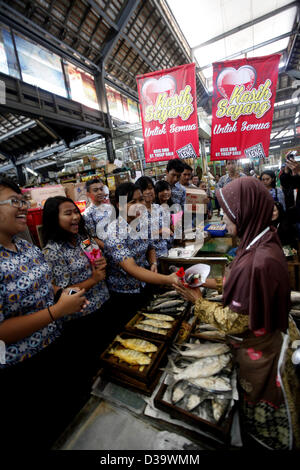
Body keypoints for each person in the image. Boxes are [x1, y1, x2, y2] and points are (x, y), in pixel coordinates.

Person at [173, 177, 300, 450]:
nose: (225, 220)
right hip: (272, 337)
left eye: (228, 213)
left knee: (264, 433)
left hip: (263, 353)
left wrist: (198, 301)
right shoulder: (261, 239)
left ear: (246, 212)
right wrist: (208, 284)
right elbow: (250, 289)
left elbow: (236, 321)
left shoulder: (259, 259)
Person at [0, 178, 87, 449]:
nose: (23, 207)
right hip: (21, 366)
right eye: (15, 201)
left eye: (23, 200)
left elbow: (44, 282)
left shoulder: (25, 246)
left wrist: (62, 294)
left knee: (73, 422)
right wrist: (55, 311)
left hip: (55, 344)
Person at [42, 196, 110, 389]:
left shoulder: (83, 239)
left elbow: (98, 262)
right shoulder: (52, 251)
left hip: (103, 302)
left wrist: (101, 264)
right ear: (54, 219)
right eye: (68, 213)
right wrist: (93, 280)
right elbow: (62, 292)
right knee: (93, 367)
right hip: (81, 317)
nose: (75, 217)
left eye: (75, 212)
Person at [103, 183, 180, 330]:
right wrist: (168, 279)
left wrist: (153, 263)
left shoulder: (142, 221)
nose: (139, 205)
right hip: (124, 293)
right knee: (132, 330)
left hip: (144, 285)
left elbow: (150, 246)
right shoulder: (115, 232)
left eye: (141, 200)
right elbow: (132, 268)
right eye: (133, 202)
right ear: (120, 205)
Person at [135, 176, 172, 260]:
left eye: (150, 188)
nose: (148, 192)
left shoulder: (159, 208)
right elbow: (138, 238)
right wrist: (159, 232)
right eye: (144, 190)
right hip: (149, 259)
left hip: (166, 253)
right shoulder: (137, 213)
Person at [83, 178, 113, 249]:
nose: (100, 192)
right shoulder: (88, 214)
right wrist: (109, 248)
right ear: (88, 194)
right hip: (108, 249)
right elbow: (92, 238)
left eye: (101, 189)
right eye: (95, 190)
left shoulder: (110, 207)